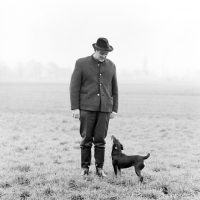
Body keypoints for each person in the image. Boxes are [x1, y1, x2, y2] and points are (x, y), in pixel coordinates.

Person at [70, 37, 118, 177]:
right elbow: (74, 87)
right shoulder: (81, 63)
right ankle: (85, 168)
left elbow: (114, 88)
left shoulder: (111, 65)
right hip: (86, 108)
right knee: (86, 140)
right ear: (95, 50)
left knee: (100, 140)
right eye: (101, 53)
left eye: (106, 54)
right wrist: (75, 107)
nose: (104, 56)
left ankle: (99, 169)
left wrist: (114, 108)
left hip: (105, 109)